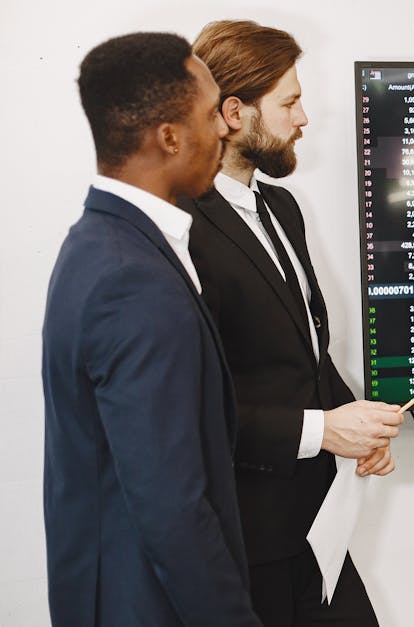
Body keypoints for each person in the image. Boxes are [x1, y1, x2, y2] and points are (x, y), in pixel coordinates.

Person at [181, 20, 401, 625]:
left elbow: (305, 350)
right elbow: (190, 408)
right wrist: (324, 432)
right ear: (233, 112)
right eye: (290, 102)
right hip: (241, 544)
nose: (304, 119)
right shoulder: (178, 229)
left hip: (314, 528)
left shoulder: (280, 207)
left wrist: (359, 423)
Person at [42, 32, 260, 625]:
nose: (225, 129)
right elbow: (172, 508)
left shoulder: (99, 242)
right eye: (212, 113)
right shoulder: (129, 280)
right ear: (168, 136)